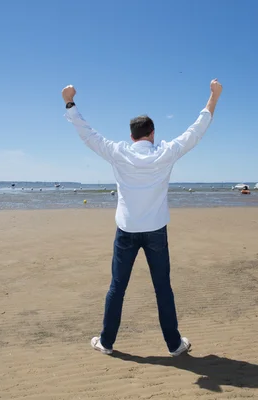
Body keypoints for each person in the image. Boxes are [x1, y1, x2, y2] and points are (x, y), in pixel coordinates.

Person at [62, 79, 222, 356]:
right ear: (151, 133)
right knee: (162, 288)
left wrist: (69, 103)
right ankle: (174, 345)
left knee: (118, 287)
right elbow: (195, 132)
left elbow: (87, 134)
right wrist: (213, 97)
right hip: (156, 230)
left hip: (127, 230)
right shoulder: (165, 153)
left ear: (133, 135)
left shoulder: (119, 152)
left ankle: (107, 342)